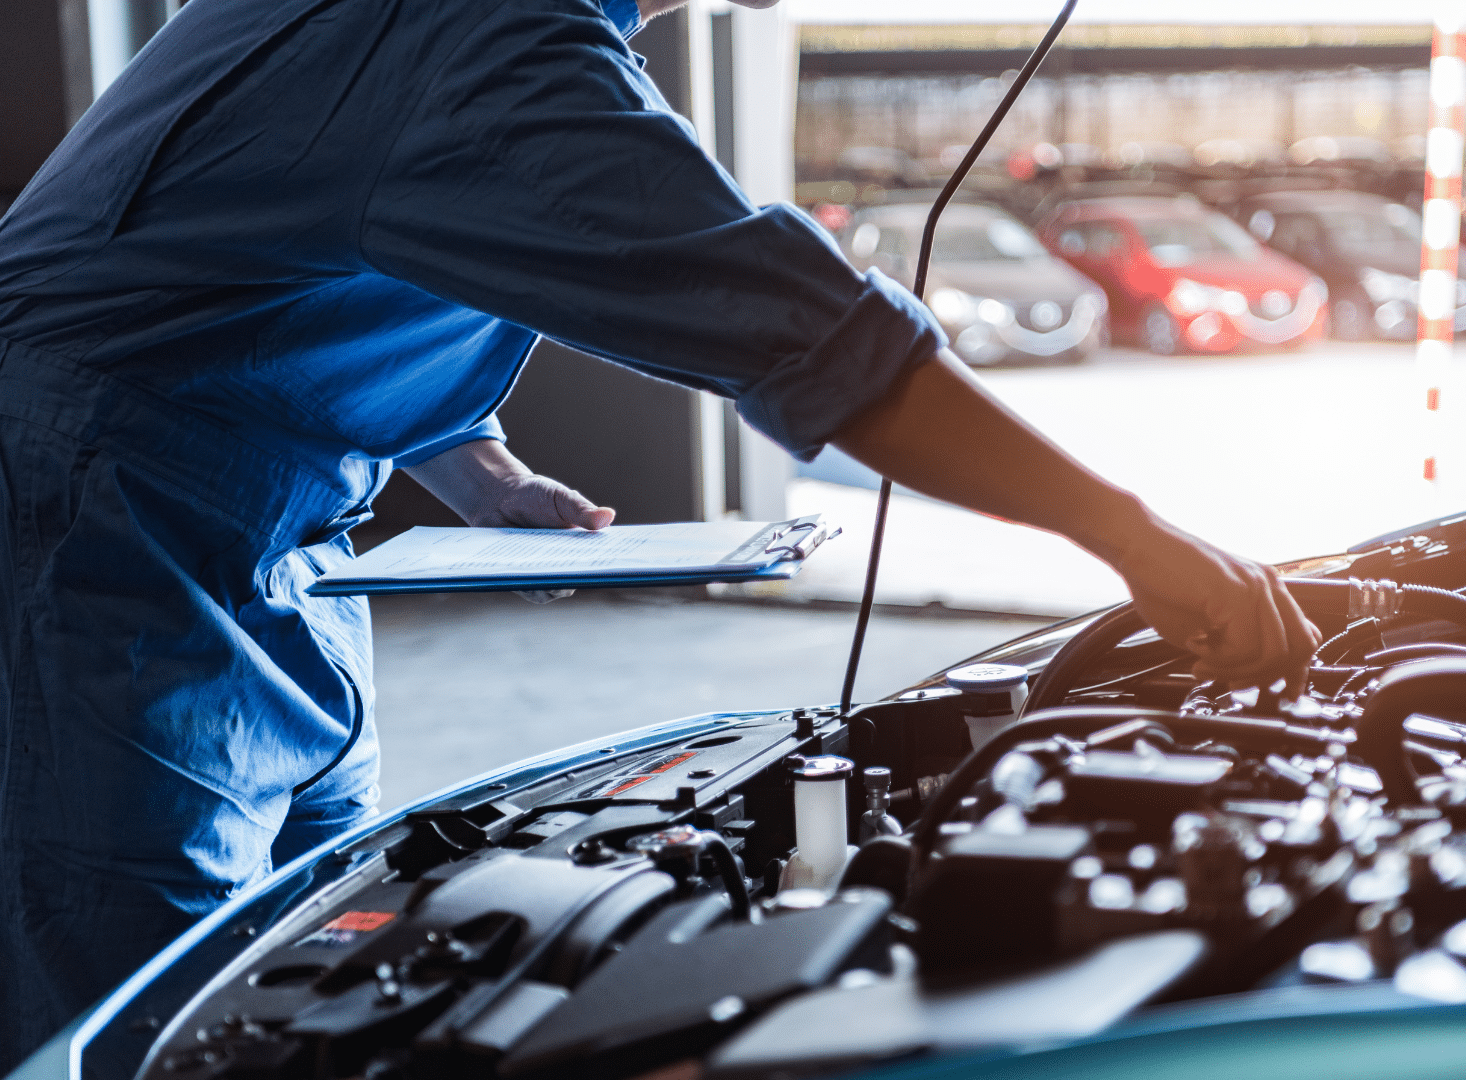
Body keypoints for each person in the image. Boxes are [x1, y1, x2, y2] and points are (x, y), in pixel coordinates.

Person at [0, 0, 1318, 1063]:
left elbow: (252, 254)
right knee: (148, 1002)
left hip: (248, 515)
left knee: (316, 961)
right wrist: (1139, 540)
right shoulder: (487, 40)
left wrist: (471, 464)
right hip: (98, 517)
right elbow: (823, 343)